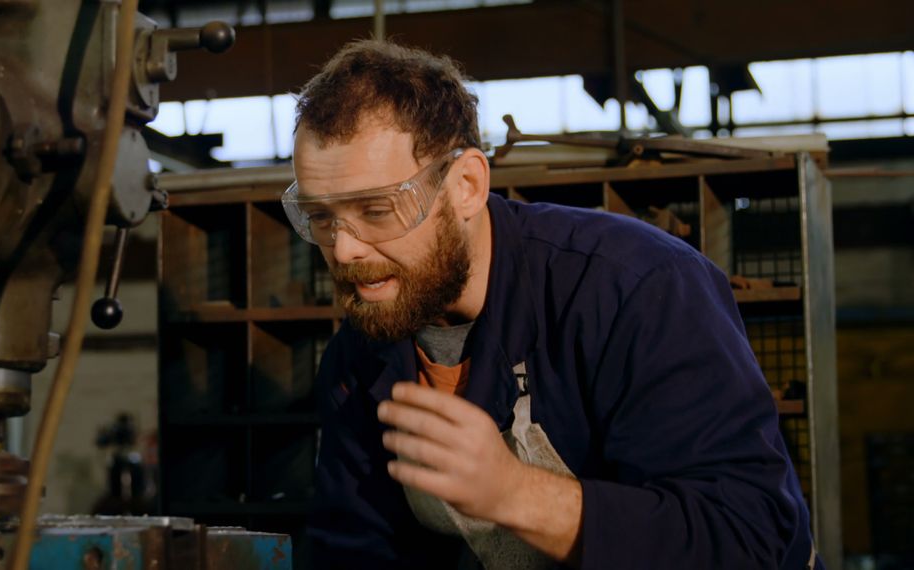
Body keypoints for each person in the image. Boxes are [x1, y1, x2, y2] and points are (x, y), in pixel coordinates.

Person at [284, 39, 819, 569]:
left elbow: (752, 536)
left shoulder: (637, 288)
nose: (345, 249)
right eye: (322, 218)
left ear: (466, 186)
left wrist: (515, 493)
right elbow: (356, 552)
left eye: (377, 210)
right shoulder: (360, 357)